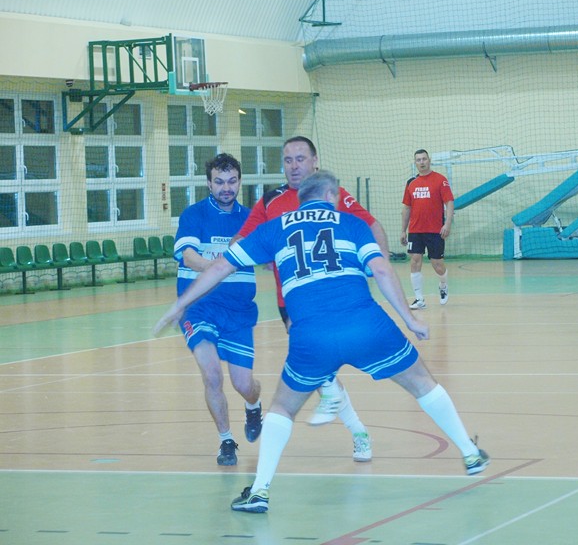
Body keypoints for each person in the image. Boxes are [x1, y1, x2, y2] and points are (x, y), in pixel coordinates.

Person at [154, 170, 490, 514]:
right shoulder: (352, 224)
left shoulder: (274, 228)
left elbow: (218, 268)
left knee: (283, 408)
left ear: (301, 199)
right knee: (422, 383)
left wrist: (180, 305)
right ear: (331, 196)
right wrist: (410, 319)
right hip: (366, 325)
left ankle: (259, 491)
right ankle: (469, 454)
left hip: (311, 336)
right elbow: (383, 271)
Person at [231, 136, 385, 461]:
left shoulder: (332, 194)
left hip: (337, 300)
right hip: (292, 303)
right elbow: (242, 240)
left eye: (300, 158)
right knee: (321, 371)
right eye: (288, 160)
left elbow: (372, 225)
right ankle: (359, 432)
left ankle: (356, 428)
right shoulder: (270, 201)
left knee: (323, 369)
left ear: (315, 161)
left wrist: (377, 264)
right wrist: (241, 257)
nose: (294, 166)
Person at [172, 153, 262, 466]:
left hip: (238, 313)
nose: (226, 188)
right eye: (219, 182)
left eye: (232, 181)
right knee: (211, 374)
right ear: (209, 183)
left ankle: (254, 406)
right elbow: (187, 255)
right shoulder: (194, 214)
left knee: (244, 385)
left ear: (240, 181)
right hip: (199, 309)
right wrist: (217, 268)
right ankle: (226, 440)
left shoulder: (251, 219)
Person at [401, 149, 455, 309]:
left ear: (429, 160)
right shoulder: (411, 183)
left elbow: (449, 202)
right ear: (415, 163)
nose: (422, 162)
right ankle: (419, 299)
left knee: (437, 264)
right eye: (418, 160)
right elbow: (407, 208)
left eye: (424, 159)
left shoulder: (440, 180)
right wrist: (403, 230)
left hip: (435, 230)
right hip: (415, 230)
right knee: (415, 261)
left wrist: (447, 224)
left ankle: (443, 285)